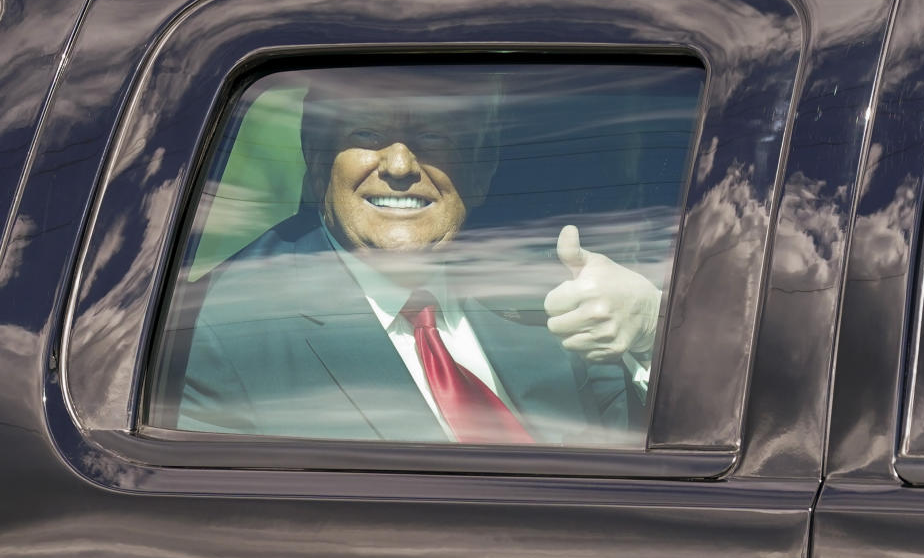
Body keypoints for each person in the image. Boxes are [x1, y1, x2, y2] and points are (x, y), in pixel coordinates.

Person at [174, 67, 661, 445]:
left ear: (483, 166)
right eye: (365, 134)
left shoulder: (549, 292)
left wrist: (650, 336)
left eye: (434, 139)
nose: (401, 166)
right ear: (318, 158)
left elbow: (646, 465)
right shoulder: (224, 328)